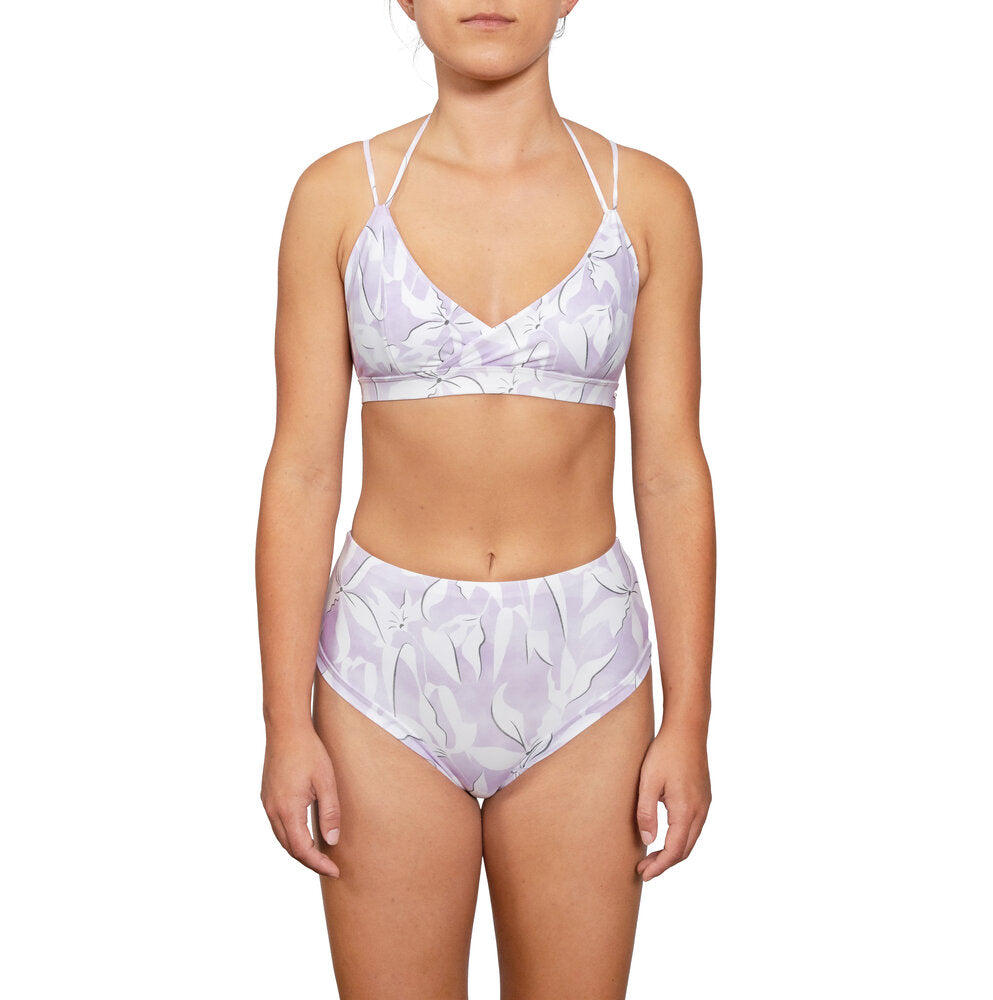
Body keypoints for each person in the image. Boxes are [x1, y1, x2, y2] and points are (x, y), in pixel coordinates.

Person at [256, 2, 715, 996]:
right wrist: (283, 722)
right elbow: (301, 469)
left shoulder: (646, 201)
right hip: (382, 666)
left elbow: (671, 469)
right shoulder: (337, 196)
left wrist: (690, 719)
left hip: (585, 665)